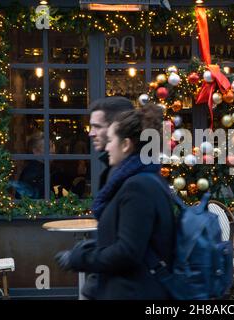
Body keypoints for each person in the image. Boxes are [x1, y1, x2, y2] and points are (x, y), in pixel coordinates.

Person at [55, 103, 176, 300]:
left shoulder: (138, 186)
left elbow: (127, 252)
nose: (108, 147)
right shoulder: (142, 179)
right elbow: (126, 239)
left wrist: (80, 258)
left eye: (111, 140)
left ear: (126, 144)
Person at [88, 96, 134, 190]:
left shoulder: (132, 178)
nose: (91, 133)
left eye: (97, 126)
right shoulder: (117, 170)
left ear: (116, 127)